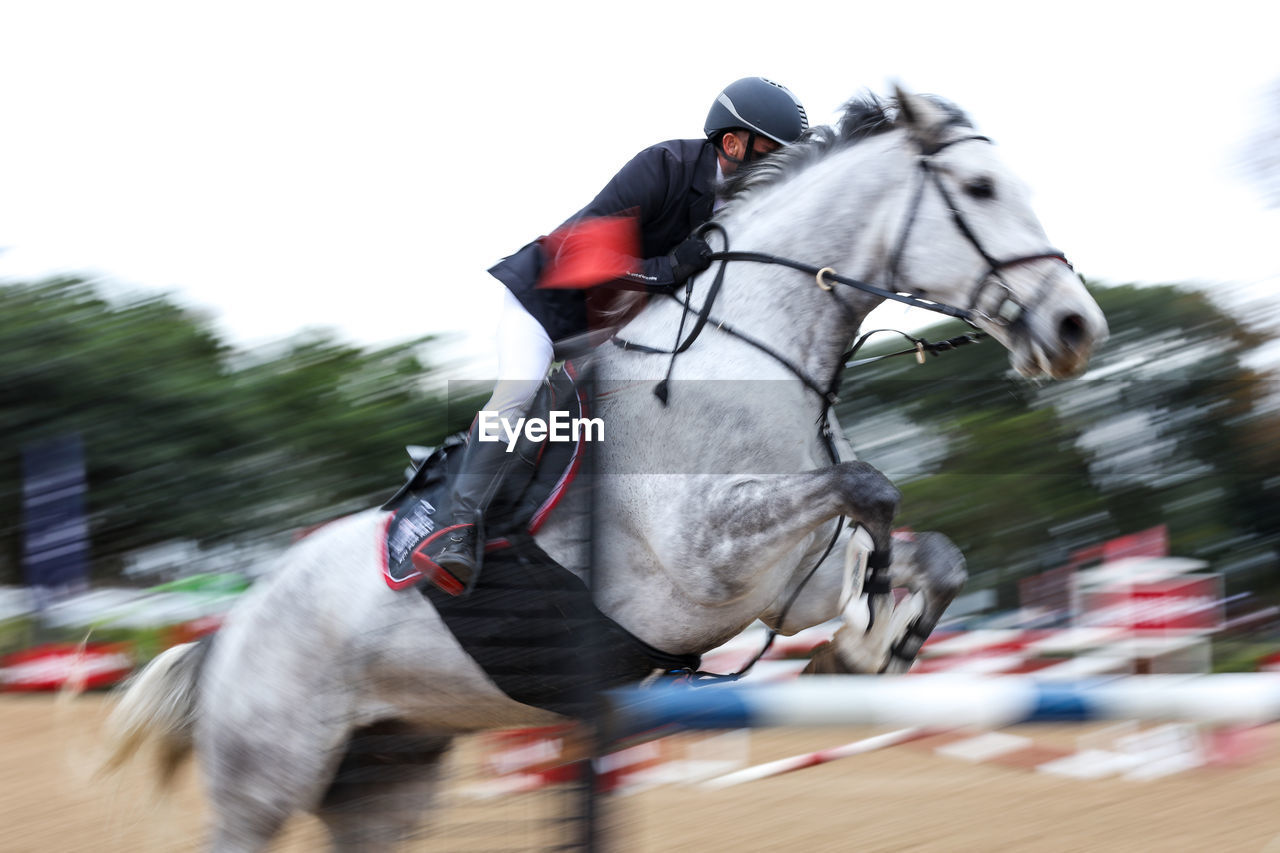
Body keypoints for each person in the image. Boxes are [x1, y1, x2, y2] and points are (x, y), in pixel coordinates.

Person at [422, 77, 809, 593]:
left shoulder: (748, 207)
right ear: (733, 143)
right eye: (772, 151)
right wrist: (667, 268)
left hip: (616, 327)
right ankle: (455, 528)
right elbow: (582, 254)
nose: (780, 166)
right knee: (517, 395)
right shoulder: (664, 166)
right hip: (546, 305)